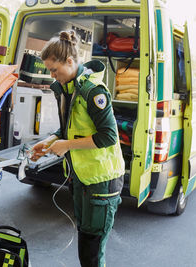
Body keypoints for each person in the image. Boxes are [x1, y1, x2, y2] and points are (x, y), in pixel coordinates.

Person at [30, 31, 125, 267]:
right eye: (49, 71)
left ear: (70, 62)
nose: (52, 75)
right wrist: (50, 142)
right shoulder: (68, 89)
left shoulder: (93, 91)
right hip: (82, 177)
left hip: (102, 179)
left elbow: (109, 136)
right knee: (86, 245)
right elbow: (68, 131)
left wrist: (67, 146)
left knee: (92, 252)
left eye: (54, 69)